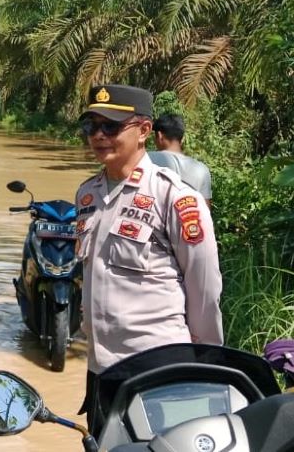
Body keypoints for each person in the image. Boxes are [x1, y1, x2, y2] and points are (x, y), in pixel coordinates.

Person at [74, 84, 222, 431]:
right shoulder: (87, 194)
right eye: (90, 127)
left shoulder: (174, 198)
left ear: (143, 131)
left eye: (110, 127)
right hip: (101, 366)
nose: (98, 136)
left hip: (158, 364)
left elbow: (205, 288)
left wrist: (207, 364)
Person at [147, 113, 213, 204]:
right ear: (182, 139)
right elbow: (205, 211)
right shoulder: (202, 169)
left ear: (159, 135)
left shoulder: (146, 159)